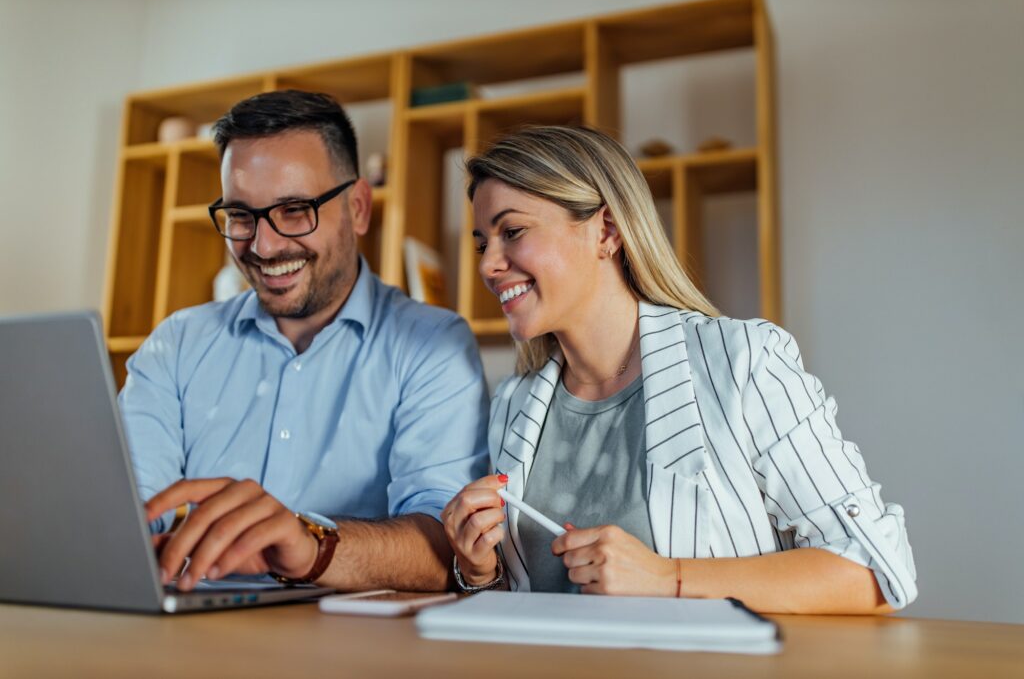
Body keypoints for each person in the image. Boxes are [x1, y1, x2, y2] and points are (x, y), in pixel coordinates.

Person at [441, 125, 917, 613]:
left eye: (512, 232)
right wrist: (480, 572)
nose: (487, 265)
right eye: (482, 244)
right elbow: (521, 607)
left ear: (606, 231)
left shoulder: (743, 361)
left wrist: (667, 579)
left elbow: (874, 569)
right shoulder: (512, 405)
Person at [120, 90, 489, 592]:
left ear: (358, 208)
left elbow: (444, 551)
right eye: (240, 216)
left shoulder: (433, 347)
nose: (264, 246)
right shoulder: (176, 345)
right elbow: (131, 513)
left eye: (295, 210)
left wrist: (310, 544)